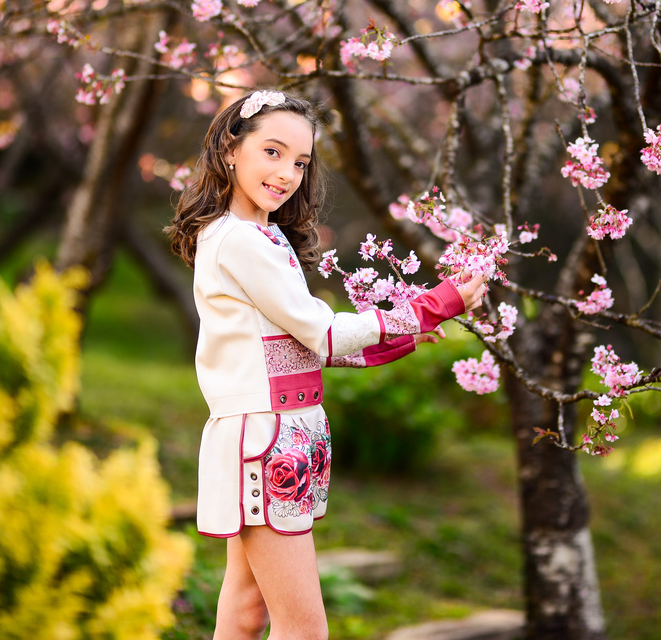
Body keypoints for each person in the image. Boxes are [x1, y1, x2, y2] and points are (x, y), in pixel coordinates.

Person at [165, 91, 487, 640]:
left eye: (299, 161)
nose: (287, 172)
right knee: (305, 629)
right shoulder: (237, 239)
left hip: (285, 434)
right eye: (272, 152)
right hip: (265, 441)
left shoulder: (264, 236)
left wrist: (414, 328)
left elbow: (306, 344)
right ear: (229, 149)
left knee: (245, 614)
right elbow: (321, 331)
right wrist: (434, 306)